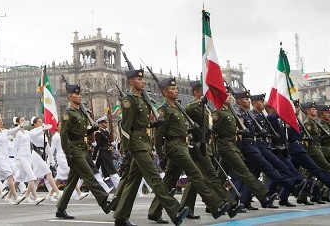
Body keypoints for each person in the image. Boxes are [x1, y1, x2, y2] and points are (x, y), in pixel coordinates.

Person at [113, 68, 190, 226]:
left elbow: (143, 123)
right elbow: (125, 127)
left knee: (133, 181)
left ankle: (120, 216)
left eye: (142, 79)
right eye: (139, 80)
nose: (142, 82)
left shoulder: (142, 100)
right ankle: (175, 210)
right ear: (131, 82)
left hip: (144, 143)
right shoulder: (129, 100)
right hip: (137, 144)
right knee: (155, 178)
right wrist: (126, 150)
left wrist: (155, 123)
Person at [149, 77, 231, 223]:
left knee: (169, 181)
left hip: (182, 146)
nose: (176, 90)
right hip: (174, 147)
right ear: (165, 92)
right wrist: (161, 155)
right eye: (173, 89)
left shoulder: (177, 108)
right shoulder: (164, 110)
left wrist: (189, 129)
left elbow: (178, 129)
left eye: (176, 88)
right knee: (196, 174)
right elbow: (159, 135)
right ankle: (215, 205)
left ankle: (154, 211)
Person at [234, 91, 305, 209]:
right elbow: (239, 134)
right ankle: (293, 186)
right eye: (261, 102)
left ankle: (244, 202)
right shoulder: (243, 114)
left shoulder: (251, 115)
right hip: (251, 147)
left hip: (257, 146)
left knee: (252, 175)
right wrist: (240, 149)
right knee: (269, 169)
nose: (263, 104)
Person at [55, 83, 111, 220]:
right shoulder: (68, 114)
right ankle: (104, 202)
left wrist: (91, 130)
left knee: (72, 182)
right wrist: (67, 153)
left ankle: (61, 209)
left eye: (80, 94)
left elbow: (80, 133)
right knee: (89, 176)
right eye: (77, 94)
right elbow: (64, 135)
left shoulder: (80, 112)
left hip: (82, 148)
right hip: (74, 149)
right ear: (70, 96)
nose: (80, 96)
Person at [212, 93, 277, 209]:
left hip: (232, 146)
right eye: (226, 95)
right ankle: (263, 196)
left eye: (230, 95)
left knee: (220, 177)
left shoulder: (230, 112)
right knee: (244, 171)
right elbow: (212, 129)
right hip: (225, 146)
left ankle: (212, 202)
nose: (230, 97)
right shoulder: (218, 112)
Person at [0, 115, 25, 205]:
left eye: (1, 120)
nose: (1, 122)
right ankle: (15, 196)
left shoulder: (4, 132)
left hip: (5, 158)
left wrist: (20, 126)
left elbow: (13, 130)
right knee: (10, 175)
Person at [13, 116, 49, 204]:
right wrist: (17, 159)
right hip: (21, 156)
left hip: (28, 156)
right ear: (17, 123)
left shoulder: (26, 132)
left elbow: (35, 134)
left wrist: (43, 128)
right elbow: (15, 147)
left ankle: (9, 196)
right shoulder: (17, 133)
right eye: (21, 120)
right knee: (32, 176)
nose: (24, 122)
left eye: (24, 120)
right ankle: (36, 197)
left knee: (18, 178)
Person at [93, 116, 121, 188]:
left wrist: (111, 146)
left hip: (107, 152)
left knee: (99, 171)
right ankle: (118, 186)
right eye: (104, 123)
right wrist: (93, 157)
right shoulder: (98, 133)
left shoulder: (106, 132)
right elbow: (98, 145)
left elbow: (107, 142)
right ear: (100, 124)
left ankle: (97, 188)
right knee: (111, 169)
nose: (106, 124)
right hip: (103, 152)